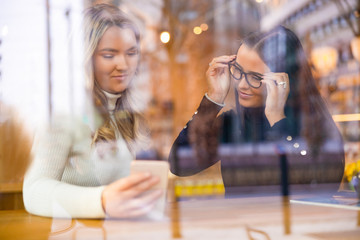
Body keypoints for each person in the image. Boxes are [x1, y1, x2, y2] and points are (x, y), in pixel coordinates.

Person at [23, 4, 162, 218]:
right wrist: (103, 200)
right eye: (109, 55)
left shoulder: (130, 112)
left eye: (131, 53)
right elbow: (33, 191)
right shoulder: (64, 113)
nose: (123, 65)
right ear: (86, 59)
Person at [169, 26, 344, 195]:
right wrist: (214, 98)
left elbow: (321, 184)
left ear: (285, 79)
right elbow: (179, 164)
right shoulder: (235, 123)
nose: (242, 85)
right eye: (238, 71)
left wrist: (277, 120)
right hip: (244, 222)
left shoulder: (310, 122)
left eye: (255, 77)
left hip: (293, 223)